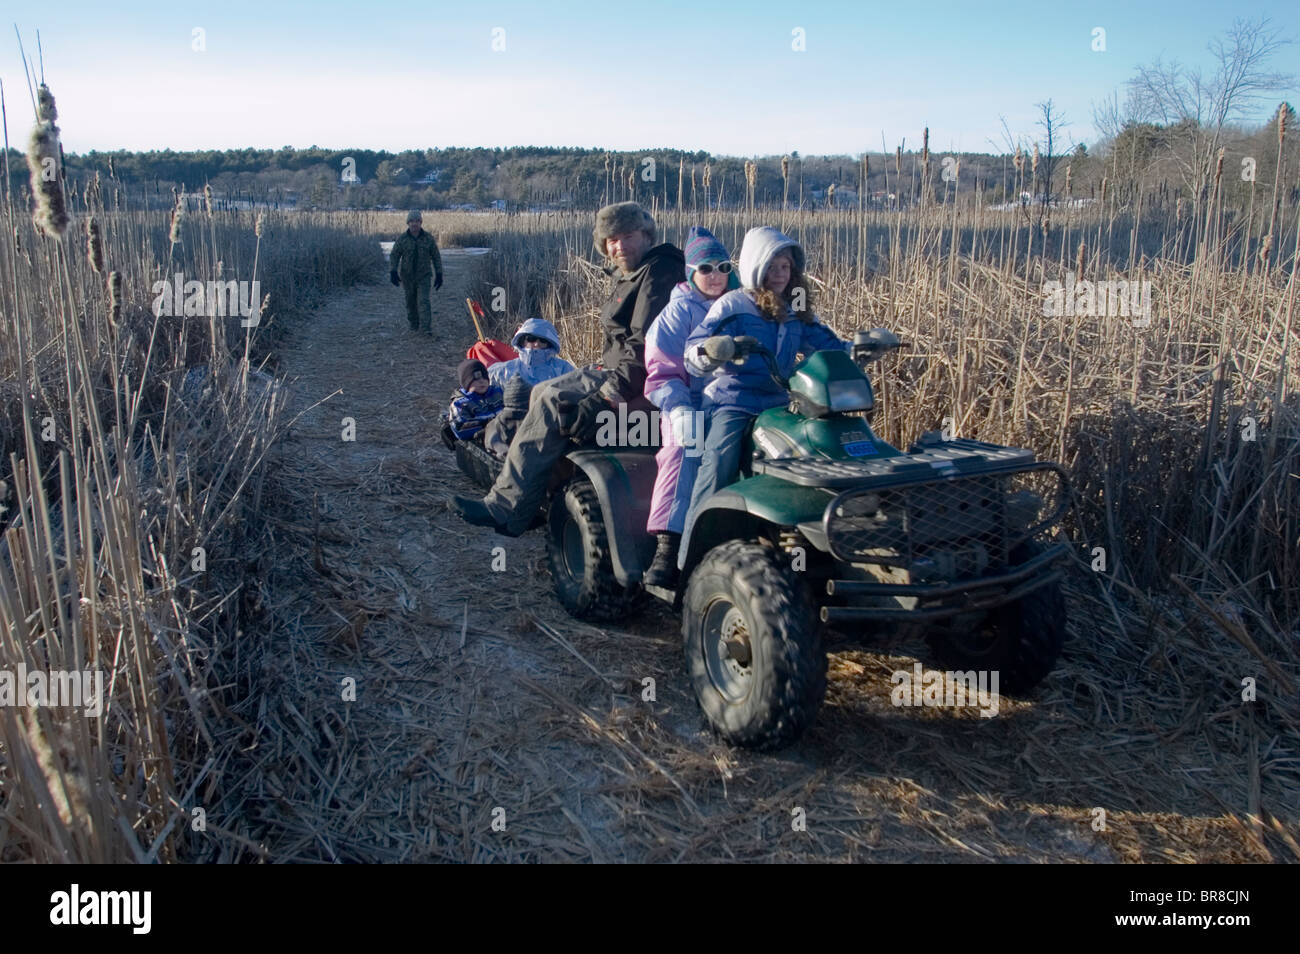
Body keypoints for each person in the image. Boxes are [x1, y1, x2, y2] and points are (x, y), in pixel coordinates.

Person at [451, 202, 683, 536]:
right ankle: (529, 502)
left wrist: (605, 398)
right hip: (615, 369)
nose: (620, 246)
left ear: (646, 235)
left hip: (639, 381)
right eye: (612, 240)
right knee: (544, 391)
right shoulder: (633, 274)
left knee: (551, 400)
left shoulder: (659, 271)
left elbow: (644, 346)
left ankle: (505, 507)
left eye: (628, 236)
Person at [682, 227, 849, 541]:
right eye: (772, 266)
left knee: (819, 451)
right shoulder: (734, 305)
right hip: (733, 402)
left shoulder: (794, 310)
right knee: (719, 461)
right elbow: (693, 354)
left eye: (785, 267)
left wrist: (860, 350)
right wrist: (716, 349)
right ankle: (692, 551)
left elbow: (828, 346)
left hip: (779, 404)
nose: (780, 274)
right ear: (756, 266)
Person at [641, 226, 739, 586]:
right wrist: (679, 409)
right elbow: (662, 373)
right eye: (706, 268)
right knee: (685, 449)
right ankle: (669, 546)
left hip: (736, 400)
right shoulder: (677, 313)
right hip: (690, 403)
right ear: (690, 272)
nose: (715, 276)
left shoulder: (742, 304)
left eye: (723, 267)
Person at [389, 210, 444, 336]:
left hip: (424, 276)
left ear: (421, 223)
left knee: (423, 301)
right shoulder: (402, 239)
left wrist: (439, 274)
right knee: (410, 301)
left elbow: (436, 257)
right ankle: (414, 325)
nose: (414, 224)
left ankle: (425, 329)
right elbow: (394, 255)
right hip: (407, 277)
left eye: (417, 221)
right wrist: (393, 271)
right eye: (412, 221)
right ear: (408, 223)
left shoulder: (428, 239)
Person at [488, 318, 575, 388]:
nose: (537, 344)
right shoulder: (503, 371)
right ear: (522, 341)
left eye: (543, 340)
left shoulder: (563, 369)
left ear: (549, 343)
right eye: (531, 338)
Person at [446, 359, 504, 441]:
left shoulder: (498, 393)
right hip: (484, 440)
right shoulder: (460, 403)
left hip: (507, 433)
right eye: (475, 379)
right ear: (466, 383)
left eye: (484, 378)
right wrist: (488, 423)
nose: (481, 381)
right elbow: (460, 428)